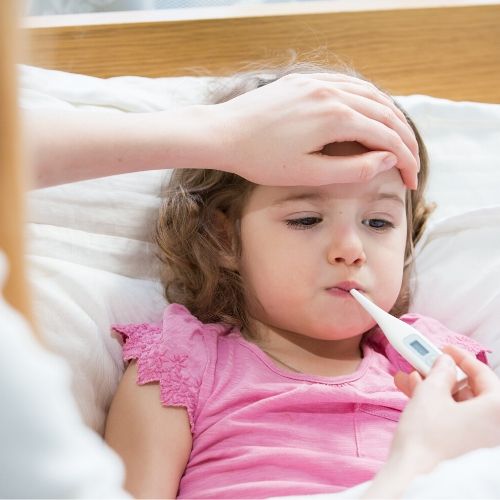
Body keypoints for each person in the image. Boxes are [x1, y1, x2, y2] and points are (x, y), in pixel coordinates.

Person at [103, 65, 490, 499]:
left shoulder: (443, 366)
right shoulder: (181, 366)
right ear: (224, 237)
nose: (351, 249)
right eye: (306, 219)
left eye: (378, 222)